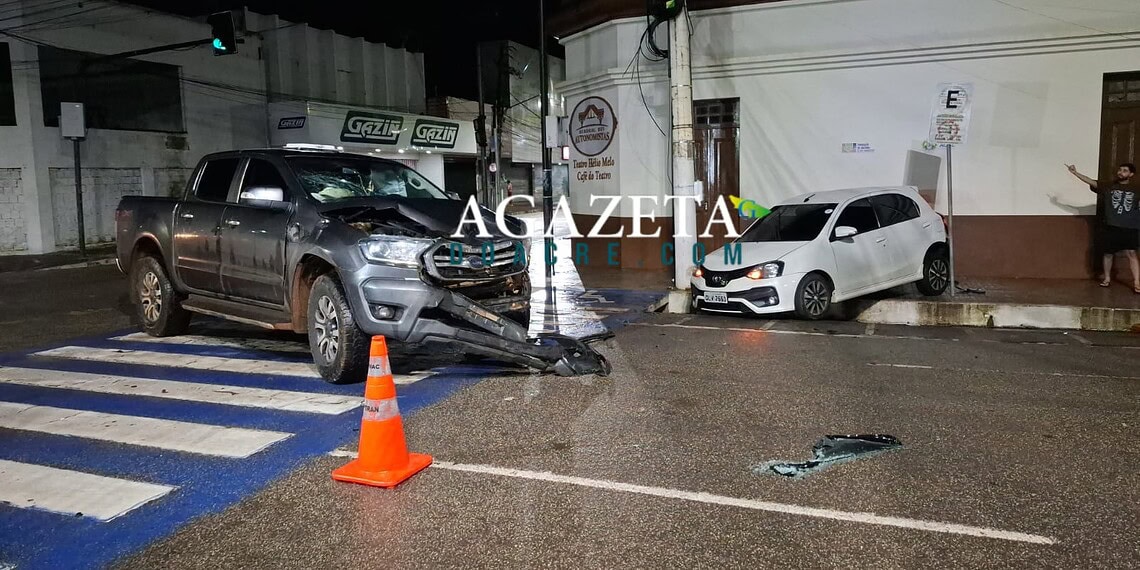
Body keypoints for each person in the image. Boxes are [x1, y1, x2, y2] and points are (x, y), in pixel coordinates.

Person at [1066, 162, 1140, 292]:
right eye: (1120, 170)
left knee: (1132, 254)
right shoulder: (1109, 186)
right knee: (1108, 253)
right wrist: (1075, 173)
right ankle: (1107, 278)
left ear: (1131, 174)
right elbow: (1092, 182)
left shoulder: (1136, 188)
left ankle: (1137, 282)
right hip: (1111, 225)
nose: (1120, 172)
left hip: (1130, 227)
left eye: (1124, 170)